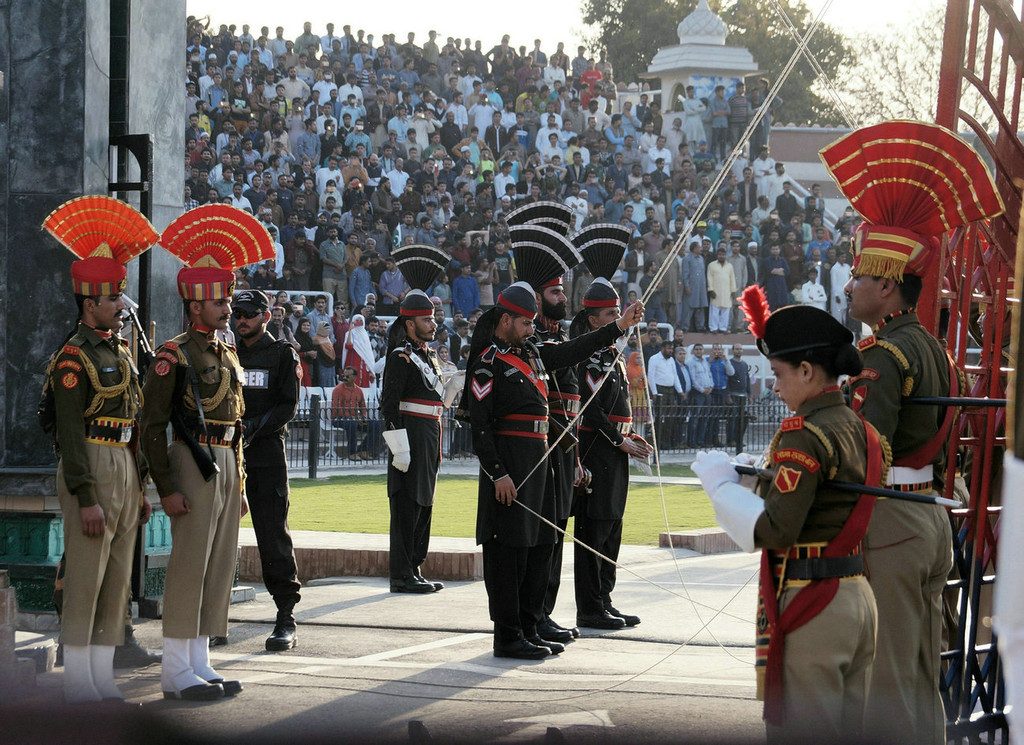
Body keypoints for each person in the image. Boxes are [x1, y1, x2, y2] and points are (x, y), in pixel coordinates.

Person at [822, 121, 1003, 745]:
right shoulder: (928, 348)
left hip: (891, 518)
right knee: (922, 666)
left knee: (888, 674)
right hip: (929, 513)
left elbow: (865, 450)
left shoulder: (880, 356)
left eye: (860, 276)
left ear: (888, 282)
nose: (850, 286)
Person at [693, 297, 889, 744]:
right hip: (857, 595)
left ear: (806, 370)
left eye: (779, 374)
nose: (775, 387)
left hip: (814, 598)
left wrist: (721, 489)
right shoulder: (862, 428)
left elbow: (777, 529)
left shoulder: (804, 431)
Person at [463, 281, 644, 659]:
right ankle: (508, 635)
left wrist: (619, 327)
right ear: (506, 320)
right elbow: (480, 428)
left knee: (537, 548)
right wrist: (498, 473)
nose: (532, 329)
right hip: (511, 471)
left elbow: (573, 348)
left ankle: (529, 626)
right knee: (510, 552)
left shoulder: (532, 353)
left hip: (538, 464)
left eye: (533, 324)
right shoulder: (487, 363)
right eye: (526, 323)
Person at [141, 206, 274, 702]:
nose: (227, 309)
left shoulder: (226, 351)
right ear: (195, 306)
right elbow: (153, 426)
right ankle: (175, 670)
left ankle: (199, 661)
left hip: (223, 464)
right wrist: (167, 488)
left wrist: (237, 481)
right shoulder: (172, 356)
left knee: (218, 565)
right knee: (190, 564)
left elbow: (235, 424)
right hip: (191, 463)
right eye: (219, 302)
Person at [42, 197, 155, 703]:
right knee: (86, 579)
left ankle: (102, 676)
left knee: (116, 582)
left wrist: (140, 488)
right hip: (89, 463)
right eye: (113, 299)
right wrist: (85, 495)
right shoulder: (73, 358)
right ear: (90, 304)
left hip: (123, 467)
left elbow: (131, 423)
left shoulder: (119, 352)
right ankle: (78, 682)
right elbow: (69, 434)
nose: (120, 307)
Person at [570, 260, 652, 631]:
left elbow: (617, 410)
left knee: (613, 527)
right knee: (595, 529)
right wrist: (618, 440)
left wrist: (629, 437)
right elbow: (590, 414)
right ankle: (589, 607)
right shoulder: (586, 354)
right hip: (597, 451)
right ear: (593, 320)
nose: (620, 318)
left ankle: (605, 599)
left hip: (615, 451)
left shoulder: (611, 355)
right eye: (612, 314)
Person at [380, 244, 458, 593]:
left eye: (433, 318)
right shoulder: (400, 357)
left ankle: (415, 566)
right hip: (410, 437)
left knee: (424, 502)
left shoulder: (427, 356)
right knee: (407, 507)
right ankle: (401, 574)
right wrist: (399, 447)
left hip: (429, 434)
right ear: (409, 323)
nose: (433, 324)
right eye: (426, 319)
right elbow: (389, 406)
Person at [233, 290, 302, 651]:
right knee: (217, 536)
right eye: (236, 313)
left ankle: (285, 616)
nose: (241, 319)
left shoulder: (282, 353)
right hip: (227, 453)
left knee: (272, 535)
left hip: (264, 453)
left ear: (266, 315)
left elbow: (288, 405)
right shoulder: (227, 352)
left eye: (248, 313)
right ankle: (212, 617)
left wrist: (252, 428)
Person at [725, 343, 751, 449]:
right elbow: (726, 380)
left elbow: (747, 380)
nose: (739, 351)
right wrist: (728, 395)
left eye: (740, 349)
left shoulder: (744, 364)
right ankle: (730, 440)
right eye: (737, 349)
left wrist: (749, 394)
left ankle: (738, 439)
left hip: (743, 396)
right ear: (733, 351)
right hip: (733, 395)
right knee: (732, 419)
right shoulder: (730, 363)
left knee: (742, 419)